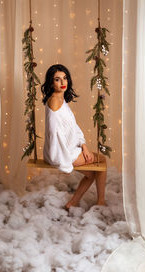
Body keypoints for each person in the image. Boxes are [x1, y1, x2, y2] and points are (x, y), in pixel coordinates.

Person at [41, 64, 107, 209]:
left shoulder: (61, 100)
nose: (63, 82)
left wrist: (84, 147)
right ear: (51, 83)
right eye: (57, 79)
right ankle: (100, 201)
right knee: (101, 162)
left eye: (65, 78)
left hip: (70, 148)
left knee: (92, 173)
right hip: (62, 152)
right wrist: (62, 158)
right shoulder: (54, 102)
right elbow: (54, 133)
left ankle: (72, 203)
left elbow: (73, 127)